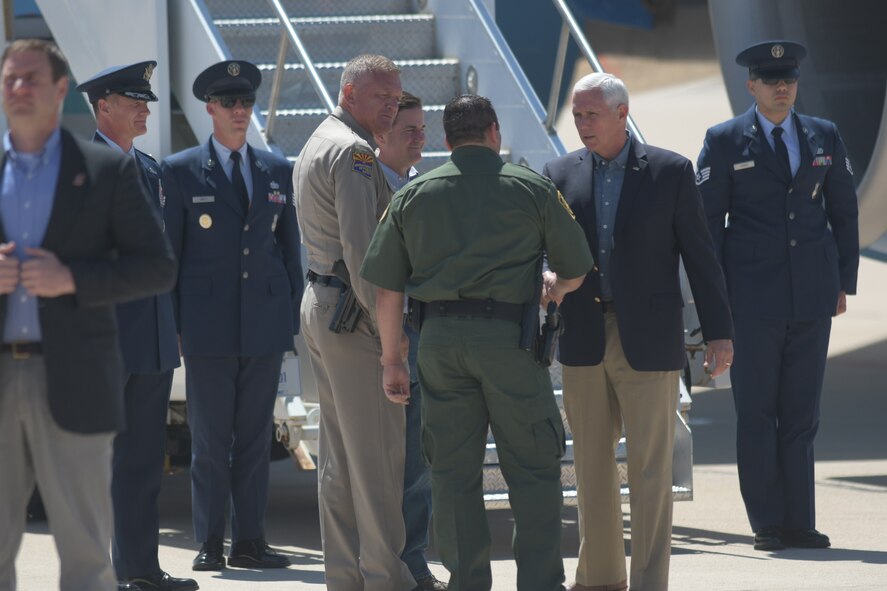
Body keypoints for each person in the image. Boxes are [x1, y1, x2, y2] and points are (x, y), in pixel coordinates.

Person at [361, 94, 593, 591]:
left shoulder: (413, 194)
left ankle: (467, 583)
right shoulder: (531, 187)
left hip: (439, 343)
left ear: (446, 141)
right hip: (509, 341)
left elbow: (386, 289)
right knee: (532, 469)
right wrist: (554, 288)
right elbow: (576, 266)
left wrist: (390, 360)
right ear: (494, 133)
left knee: (452, 473)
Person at [543, 72, 734, 591]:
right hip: (583, 338)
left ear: (623, 114)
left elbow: (701, 257)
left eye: (591, 115)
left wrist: (719, 333)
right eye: (577, 115)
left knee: (652, 471)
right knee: (591, 470)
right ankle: (600, 580)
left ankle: (650, 581)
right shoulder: (558, 174)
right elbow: (543, 250)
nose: (581, 124)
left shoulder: (671, 172)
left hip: (650, 340)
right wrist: (545, 277)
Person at [0, 39, 176, 591]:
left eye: (31, 78)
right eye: (9, 79)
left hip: (82, 366)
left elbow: (157, 267)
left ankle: (139, 567)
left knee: (88, 547)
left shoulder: (107, 170)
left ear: (59, 91)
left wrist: (72, 278)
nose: (18, 89)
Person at [697, 40, 859, 552]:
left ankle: (800, 522)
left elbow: (844, 212)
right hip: (752, 301)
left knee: (802, 414)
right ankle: (768, 521)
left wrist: (842, 281)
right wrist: (717, 302)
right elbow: (707, 228)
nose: (781, 87)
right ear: (751, 85)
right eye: (770, 80)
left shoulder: (822, 135)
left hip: (811, 296)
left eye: (787, 78)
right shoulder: (724, 141)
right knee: (759, 413)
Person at [161, 60, 303, 571]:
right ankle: (210, 542)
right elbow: (171, 256)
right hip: (206, 326)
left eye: (245, 103)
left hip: (263, 324)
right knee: (209, 441)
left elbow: (290, 252)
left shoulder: (275, 168)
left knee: (255, 441)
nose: (239, 111)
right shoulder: (179, 171)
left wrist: (288, 319)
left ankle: (251, 541)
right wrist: (175, 324)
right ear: (210, 109)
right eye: (229, 104)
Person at [293, 53, 417, 591]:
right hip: (355, 313)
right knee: (377, 465)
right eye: (380, 97)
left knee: (341, 463)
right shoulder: (356, 153)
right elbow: (369, 261)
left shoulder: (321, 138)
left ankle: (347, 578)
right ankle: (387, 579)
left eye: (396, 97)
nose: (390, 107)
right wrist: (393, 351)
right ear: (348, 94)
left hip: (324, 304)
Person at [76, 61, 197, 591]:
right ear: (104, 106)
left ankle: (140, 570)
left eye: (146, 101)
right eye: (134, 100)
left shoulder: (149, 170)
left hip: (149, 340)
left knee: (143, 464)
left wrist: (172, 325)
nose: (145, 109)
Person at [374, 92, 445, 591]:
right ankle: (378, 559)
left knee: (418, 462)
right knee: (374, 459)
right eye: (410, 129)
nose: (421, 137)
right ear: (382, 133)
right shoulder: (360, 183)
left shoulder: (428, 189)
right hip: (373, 343)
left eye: (423, 128)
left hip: (422, 340)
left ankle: (413, 557)